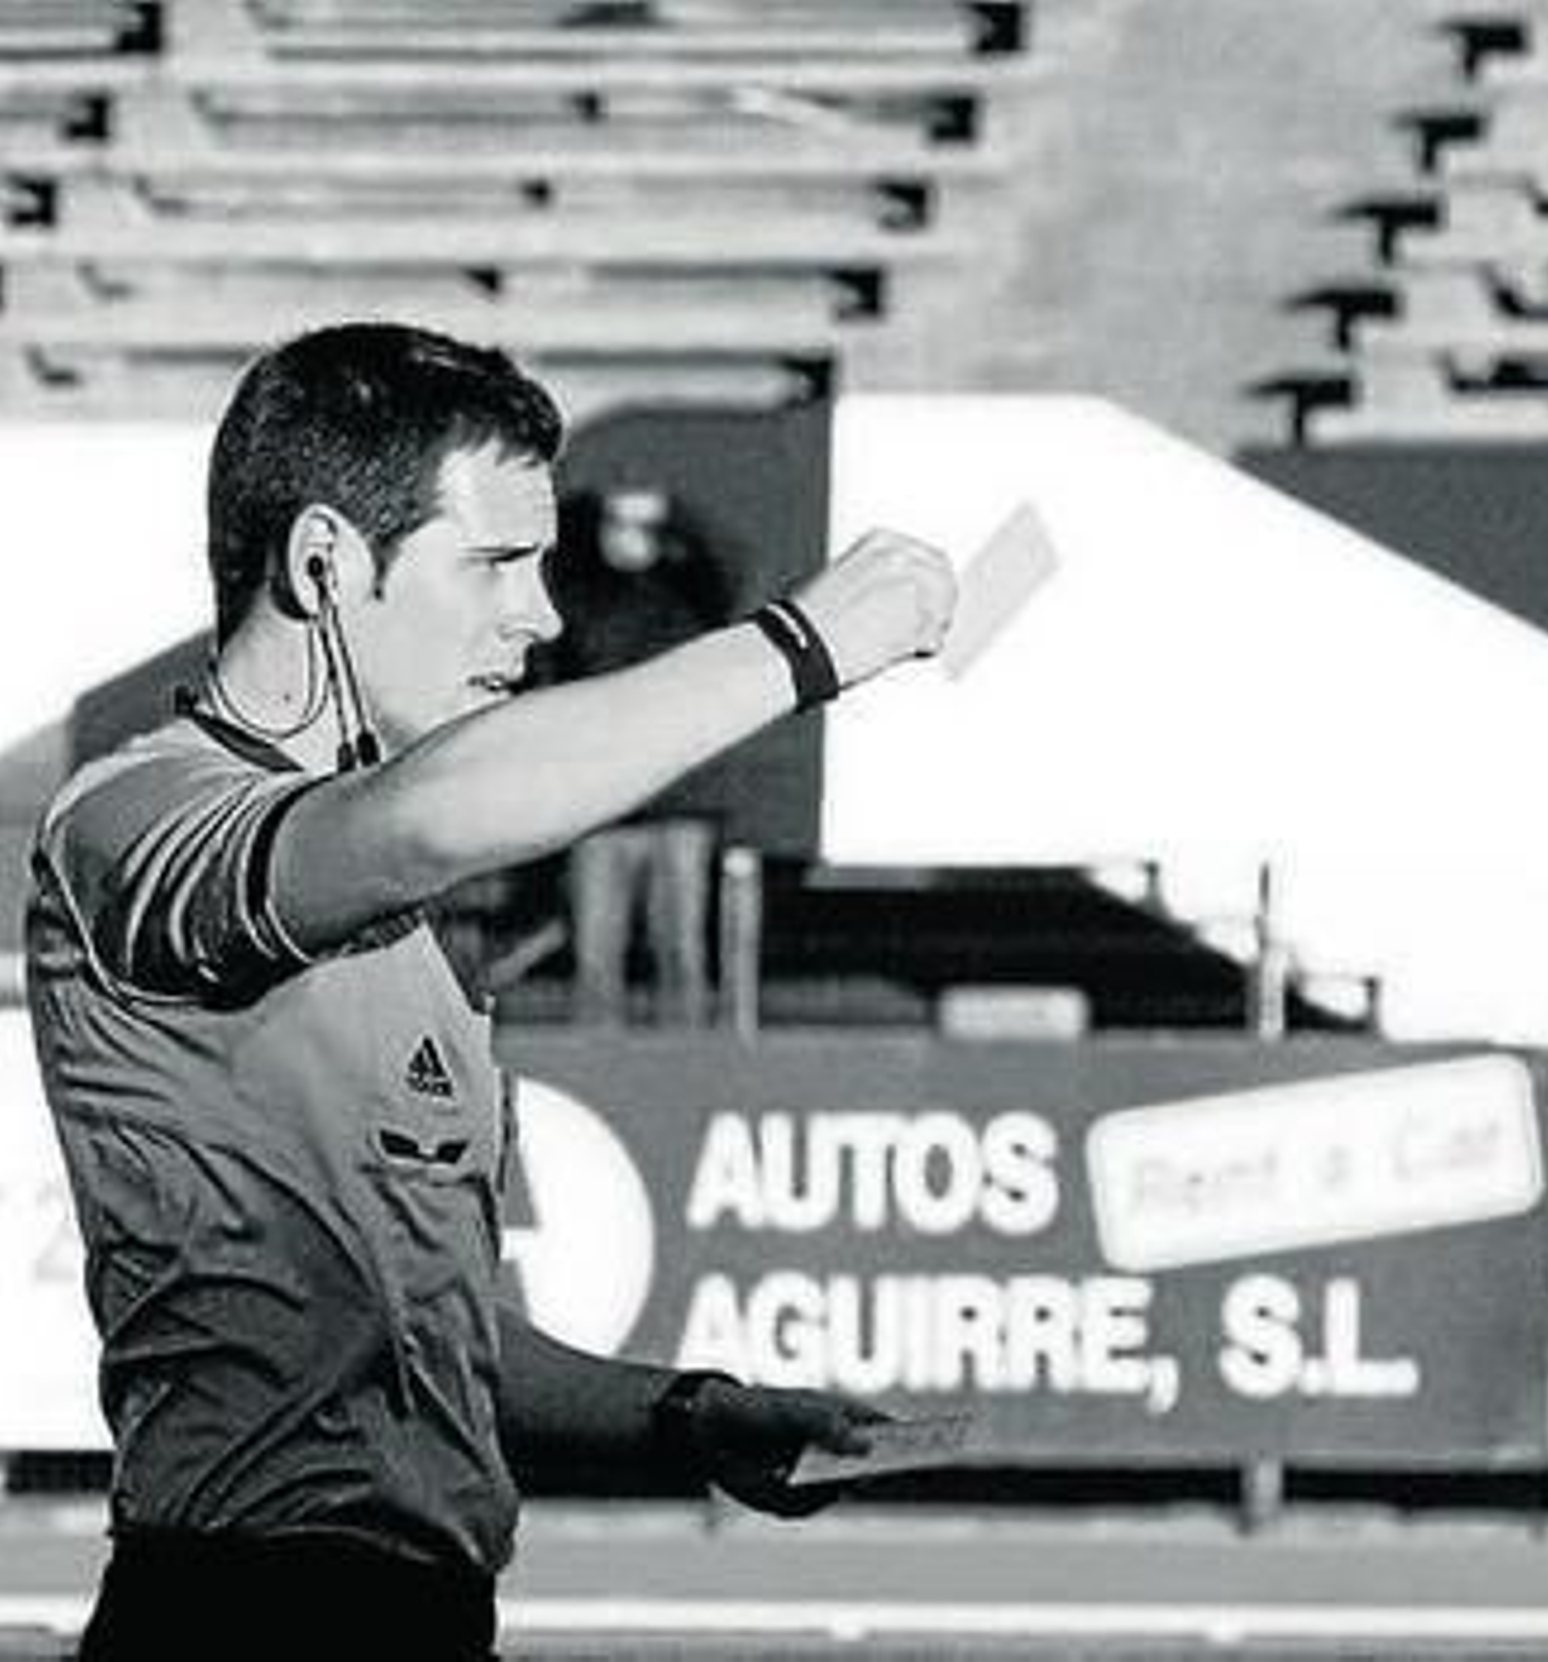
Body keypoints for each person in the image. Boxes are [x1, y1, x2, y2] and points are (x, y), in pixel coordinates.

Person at [24, 322, 956, 1662]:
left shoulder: (397, 927)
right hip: (233, 1606)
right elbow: (430, 818)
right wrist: (800, 648)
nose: (544, 616)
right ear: (326, 563)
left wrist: (689, 1413)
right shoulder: (136, 817)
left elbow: (443, 1338)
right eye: (499, 565)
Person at [546, 485, 734, 1026]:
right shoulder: (581, 598)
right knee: (595, 958)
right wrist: (594, 507)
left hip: (680, 803)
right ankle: (599, 1078)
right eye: (615, 525)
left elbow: (726, 555)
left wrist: (673, 512)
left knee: (680, 954)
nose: (627, 537)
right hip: (602, 808)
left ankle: (687, 1081)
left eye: (638, 527)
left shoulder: (694, 596)